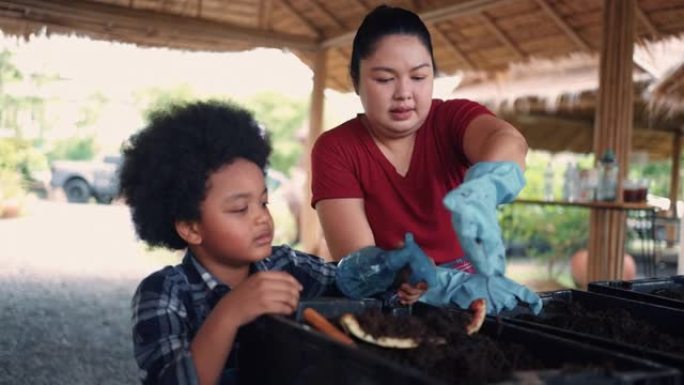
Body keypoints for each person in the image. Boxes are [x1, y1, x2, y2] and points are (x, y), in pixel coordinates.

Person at [120, 100, 436, 385]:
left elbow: (347, 282)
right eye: (240, 209)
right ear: (190, 227)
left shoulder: (285, 266)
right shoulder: (163, 294)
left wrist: (394, 272)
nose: (260, 218)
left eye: (264, 202)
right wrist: (230, 312)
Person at [311, 5, 541, 314]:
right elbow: (358, 262)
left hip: (472, 295)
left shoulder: (450, 119)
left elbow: (507, 140)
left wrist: (488, 182)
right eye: (384, 79)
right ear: (356, 81)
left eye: (419, 76)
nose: (404, 93)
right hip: (388, 302)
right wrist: (412, 273)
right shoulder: (337, 148)